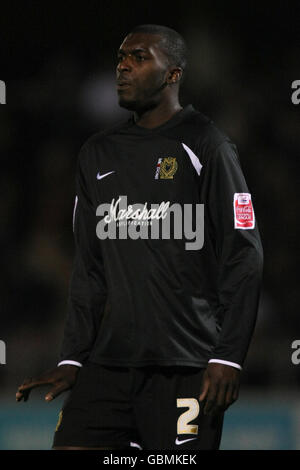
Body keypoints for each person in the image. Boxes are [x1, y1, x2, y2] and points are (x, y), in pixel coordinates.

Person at [16, 24, 264, 450]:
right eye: (120, 58)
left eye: (139, 57)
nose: (123, 67)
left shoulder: (208, 146)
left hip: (185, 366)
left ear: (173, 74)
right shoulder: (97, 153)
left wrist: (228, 356)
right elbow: (89, 269)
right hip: (107, 367)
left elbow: (245, 255)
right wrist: (73, 356)